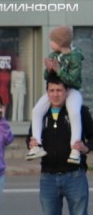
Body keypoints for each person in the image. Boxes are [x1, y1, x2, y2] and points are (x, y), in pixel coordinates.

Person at [30, 77, 93, 215]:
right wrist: (30, 142)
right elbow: (31, 136)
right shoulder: (43, 113)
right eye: (51, 90)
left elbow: (92, 137)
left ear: (66, 92)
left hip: (74, 176)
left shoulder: (79, 111)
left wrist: (86, 147)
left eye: (59, 90)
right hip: (48, 176)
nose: (55, 94)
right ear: (47, 92)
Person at [28, 26, 84, 164]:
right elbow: (48, 77)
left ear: (60, 42)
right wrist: (48, 70)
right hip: (56, 89)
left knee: (74, 112)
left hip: (71, 90)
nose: (50, 43)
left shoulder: (75, 57)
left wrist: (58, 70)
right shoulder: (53, 55)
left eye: (52, 40)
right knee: (37, 111)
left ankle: (75, 149)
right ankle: (36, 145)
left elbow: (73, 79)